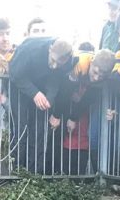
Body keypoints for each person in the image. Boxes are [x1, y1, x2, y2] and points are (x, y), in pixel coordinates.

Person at [8, 36, 76, 174]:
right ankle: (15, 173)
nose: (55, 66)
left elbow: (56, 79)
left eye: (60, 64)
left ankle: (33, 174)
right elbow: (15, 74)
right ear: (50, 49)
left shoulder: (68, 61)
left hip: (43, 91)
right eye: (53, 60)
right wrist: (34, 93)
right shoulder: (30, 49)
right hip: (21, 88)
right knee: (20, 129)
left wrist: (49, 98)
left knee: (39, 132)